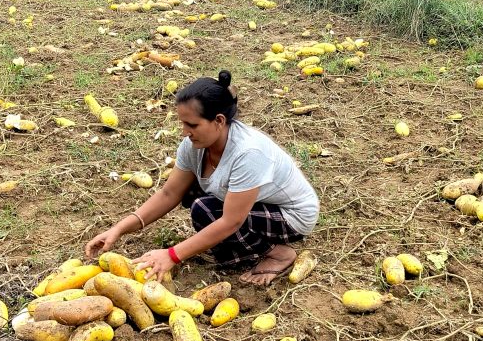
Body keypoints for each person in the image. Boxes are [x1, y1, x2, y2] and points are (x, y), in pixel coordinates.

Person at [84, 70, 319, 285]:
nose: (185, 132)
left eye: (192, 124)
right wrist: (118, 229)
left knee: (205, 211)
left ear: (219, 121)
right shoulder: (193, 146)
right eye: (182, 123)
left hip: (290, 216)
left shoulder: (249, 153)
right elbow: (169, 194)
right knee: (193, 194)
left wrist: (172, 255)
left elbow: (231, 221)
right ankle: (243, 247)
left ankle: (278, 253)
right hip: (256, 204)